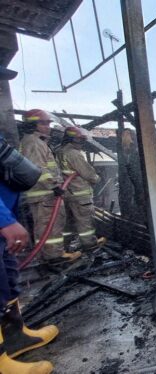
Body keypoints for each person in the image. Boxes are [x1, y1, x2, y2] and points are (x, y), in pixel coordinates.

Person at [0, 65, 56, 373]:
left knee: (6, 282)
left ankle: (16, 337)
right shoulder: (34, 143)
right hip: (7, 216)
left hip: (8, 213)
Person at [20, 110, 81, 263]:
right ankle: (54, 257)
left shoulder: (35, 142)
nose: (48, 126)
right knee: (49, 226)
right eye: (43, 123)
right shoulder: (34, 143)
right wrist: (54, 186)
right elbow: (38, 168)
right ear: (32, 125)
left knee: (49, 225)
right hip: (44, 194)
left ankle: (49, 255)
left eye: (48, 123)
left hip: (43, 193)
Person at [56, 127, 102, 251]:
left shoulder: (60, 151)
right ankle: (90, 247)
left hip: (68, 193)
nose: (82, 143)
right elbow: (88, 174)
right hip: (80, 194)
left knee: (69, 223)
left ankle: (66, 246)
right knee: (85, 223)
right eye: (81, 140)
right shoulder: (74, 153)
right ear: (75, 139)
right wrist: (97, 178)